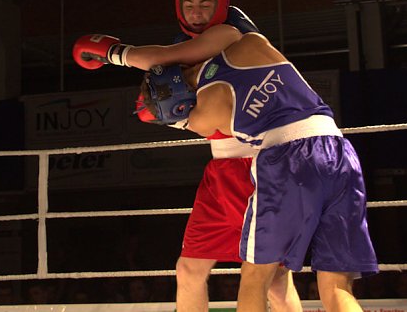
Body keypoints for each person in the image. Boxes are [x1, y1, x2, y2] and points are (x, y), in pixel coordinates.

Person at [73, 0, 301, 312]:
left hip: (258, 168)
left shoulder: (231, 34)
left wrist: (112, 52)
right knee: (189, 270)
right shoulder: (190, 49)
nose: (197, 11)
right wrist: (176, 117)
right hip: (222, 170)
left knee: (276, 281)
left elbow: (157, 58)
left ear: (221, 5)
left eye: (206, 3)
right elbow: (204, 118)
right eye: (189, 3)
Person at [138, 32, 378, 312]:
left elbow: (185, 119)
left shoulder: (205, 114)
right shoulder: (252, 44)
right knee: (336, 286)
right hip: (338, 151)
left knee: (256, 277)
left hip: (288, 160)